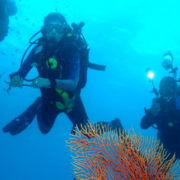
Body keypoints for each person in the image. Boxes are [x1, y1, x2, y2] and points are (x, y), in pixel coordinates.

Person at [3, 12, 89, 135]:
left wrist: (48, 81)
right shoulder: (38, 49)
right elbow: (22, 71)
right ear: (44, 31)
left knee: (88, 133)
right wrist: (17, 78)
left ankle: (114, 124)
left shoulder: (72, 49)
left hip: (71, 100)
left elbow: (73, 84)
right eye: (49, 28)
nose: (53, 32)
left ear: (64, 30)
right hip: (48, 100)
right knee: (44, 129)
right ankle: (36, 106)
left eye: (58, 28)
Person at [141, 76, 180, 159]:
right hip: (165, 147)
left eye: (169, 90)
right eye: (163, 91)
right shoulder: (158, 106)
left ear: (174, 91)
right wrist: (151, 113)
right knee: (159, 171)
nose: (166, 94)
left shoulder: (178, 102)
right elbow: (143, 125)